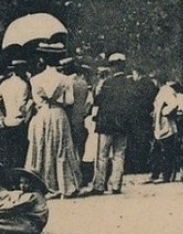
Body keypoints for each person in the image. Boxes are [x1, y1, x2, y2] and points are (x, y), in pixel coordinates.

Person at [25, 40, 84, 198]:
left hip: (43, 114)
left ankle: (45, 185)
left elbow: (37, 101)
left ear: (42, 59)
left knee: (43, 148)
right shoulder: (65, 79)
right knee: (61, 148)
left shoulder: (35, 79)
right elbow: (70, 101)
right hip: (58, 114)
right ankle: (64, 185)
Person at [89, 54, 135, 194]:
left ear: (113, 67)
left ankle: (99, 185)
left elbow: (97, 100)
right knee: (119, 155)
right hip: (123, 124)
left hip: (106, 124)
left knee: (102, 155)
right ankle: (116, 186)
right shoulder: (130, 83)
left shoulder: (106, 83)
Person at [0, 57, 33, 171]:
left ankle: (8, 181)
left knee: (7, 155)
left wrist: (0, 118)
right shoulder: (24, 85)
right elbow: (22, 107)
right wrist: (31, 105)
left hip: (7, 123)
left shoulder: (5, 83)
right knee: (19, 156)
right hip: (20, 124)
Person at [124, 65, 158, 177]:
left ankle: (137, 167)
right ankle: (144, 166)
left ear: (137, 73)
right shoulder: (151, 84)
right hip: (146, 117)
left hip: (137, 118)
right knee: (144, 142)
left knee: (136, 143)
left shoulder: (138, 85)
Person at [149, 76, 183, 184]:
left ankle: (166, 176)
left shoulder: (166, 91)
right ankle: (155, 174)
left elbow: (174, 104)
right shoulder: (162, 91)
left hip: (166, 126)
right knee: (156, 151)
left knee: (167, 152)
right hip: (160, 126)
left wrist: (165, 112)